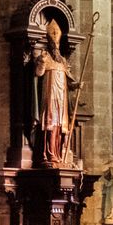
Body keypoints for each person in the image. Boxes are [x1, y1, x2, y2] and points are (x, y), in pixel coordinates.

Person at [34, 19, 79, 164]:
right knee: (50, 124)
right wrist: (41, 61)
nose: (56, 48)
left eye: (57, 45)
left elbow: (69, 81)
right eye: (53, 45)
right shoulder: (45, 58)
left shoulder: (63, 62)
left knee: (60, 126)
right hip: (50, 96)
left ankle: (58, 154)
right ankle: (47, 153)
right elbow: (39, 74)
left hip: (61, 98)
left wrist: (78, 85)